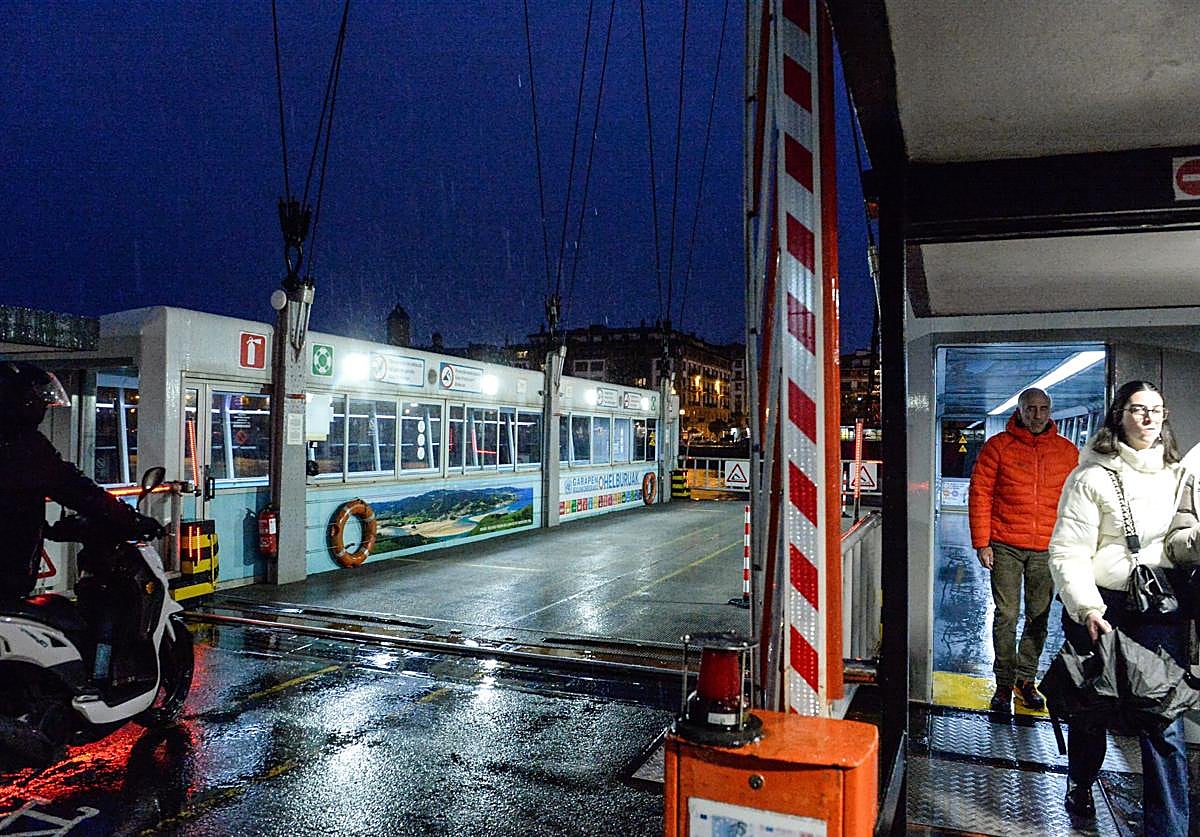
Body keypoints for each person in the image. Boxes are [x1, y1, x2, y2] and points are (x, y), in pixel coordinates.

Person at [1048, 380, 1188, 832]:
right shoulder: (1091, 477)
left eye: (1156, 410)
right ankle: (1080, 782)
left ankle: (1168, 828)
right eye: (1137, 409)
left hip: (1159, 609)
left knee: (1163, 718)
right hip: (1104, 608)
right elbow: (1068, 550)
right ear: (1118, 417)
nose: (1148, 418)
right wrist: (1087, 608)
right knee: (1093, 710)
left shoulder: (1179, 478)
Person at [0, 362, 163, 685]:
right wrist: (131, 519)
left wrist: (50, 529)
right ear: (24, 403)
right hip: (6, 570)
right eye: (40, 401)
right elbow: (78, 490)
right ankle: (82, 687)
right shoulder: (24, 447)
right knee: (67, 618)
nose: (44, 408)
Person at [968, 387, 1078, 713]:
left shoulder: (1067, 452)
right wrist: (982, 543)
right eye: (1031, 409)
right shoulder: (997, 448)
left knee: (1039, 616)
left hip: (1047, 548)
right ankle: (1003, 684)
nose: (1037, 415)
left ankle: (1025, 680)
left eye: (1043, 408)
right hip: (1004, 546)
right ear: (1019, 410)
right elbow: (980, 495)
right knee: (1006, 615)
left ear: (1050, 411)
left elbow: (1077, 503)